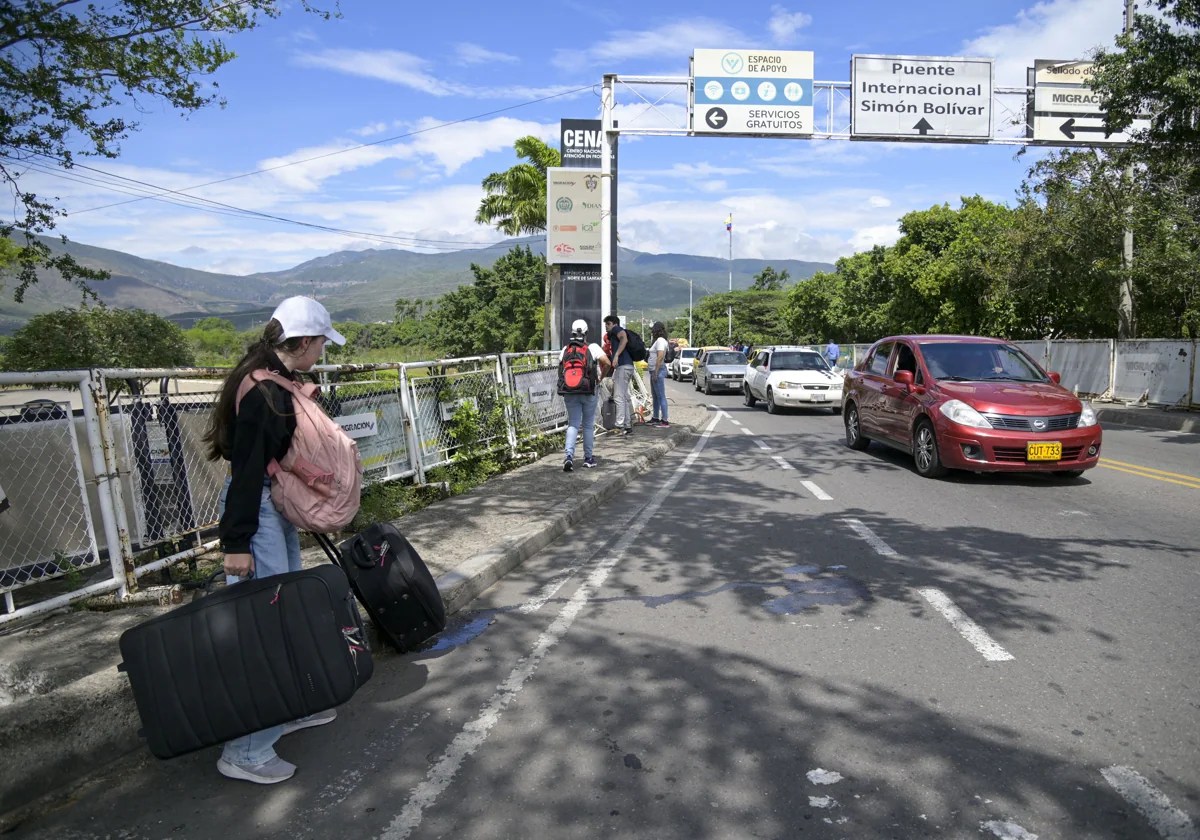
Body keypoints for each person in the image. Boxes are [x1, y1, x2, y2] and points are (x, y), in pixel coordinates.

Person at [201, 296, 346, 785]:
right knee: (263, 625)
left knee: (284, 612)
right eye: (321, 342)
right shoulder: (264, 393)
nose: (324, 349)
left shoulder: (271, 380)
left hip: (270, 505)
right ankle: (245, 750)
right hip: (256, 511)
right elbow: (244, 473)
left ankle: (287, 712)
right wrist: (235, 543)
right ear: (302, 342)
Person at [558, 319, 612, 471]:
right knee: (588, 425)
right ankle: (588, 458)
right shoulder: (592, 347)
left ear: (572, 332)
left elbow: (560, 368)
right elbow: (607, 362)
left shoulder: (565, 349)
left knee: (573, 423)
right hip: (589, 389)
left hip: (569, 390)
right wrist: (600, 378)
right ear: (586, 333)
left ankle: (569, 456)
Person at [603, 314, 635, 435]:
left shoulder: (617, 329)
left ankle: (619, 424)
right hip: (627, 366)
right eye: (606, 324)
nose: (606, 326)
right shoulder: (612, 335)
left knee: (618, 396)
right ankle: (627, 425)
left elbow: (624, 338)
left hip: (623, 366)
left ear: (614, 324)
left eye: (608, 324)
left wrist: (616, 355)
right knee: (624, 396)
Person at [647, 321, 670, 428]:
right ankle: (655, 417)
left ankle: (665, 420)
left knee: (661, 396)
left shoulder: (660, 341)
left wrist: (656, 372)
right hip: (654, 371)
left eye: (653, 329)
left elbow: (660, 356)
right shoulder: (658, 341)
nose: (652, 332)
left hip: (658, 371)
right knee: (655, 396)